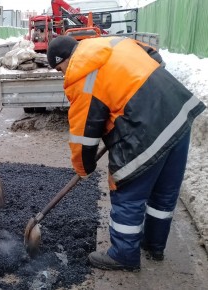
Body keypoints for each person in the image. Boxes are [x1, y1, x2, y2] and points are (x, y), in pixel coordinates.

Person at [47, 36, 205, 271]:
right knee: (164, 191)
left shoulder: (82, 75)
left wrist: (84, 168)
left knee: (128, 192)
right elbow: (155, 57)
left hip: (144, 129)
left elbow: (84, 135)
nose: (63, 75)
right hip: (178, 112)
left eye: (60, 69)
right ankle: (154, 245)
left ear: (65, 60)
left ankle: (123, 255)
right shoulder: (111, 43)